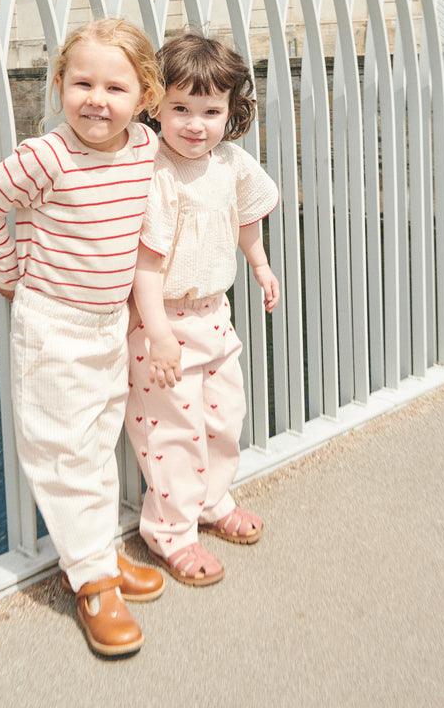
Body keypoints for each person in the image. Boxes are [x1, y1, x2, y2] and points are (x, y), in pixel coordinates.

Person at [0, 18, 166, 657]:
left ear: (145, 99)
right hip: (52, 322)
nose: (96, 100)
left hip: (107, 321)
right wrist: (11, 269)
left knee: (100, 437)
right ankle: (92, 581)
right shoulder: (47, 155)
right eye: (82, 83)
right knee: (64, 450)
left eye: (116, 87)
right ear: (59, 86)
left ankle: (96, 553)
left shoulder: (142, 147)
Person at [125, 33, 279, 587]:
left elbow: (245, 218)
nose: (196, 124)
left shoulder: (229, 163)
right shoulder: (157, 172)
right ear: (155, 108)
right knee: (172, 431)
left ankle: (213, 503)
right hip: (163, 322)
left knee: (221, 418)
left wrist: (259, 264)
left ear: (231, 113)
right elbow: (144, 265)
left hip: (215, 313)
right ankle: (171, 533)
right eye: (181, 109)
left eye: (211, 111)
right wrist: (159, 334)